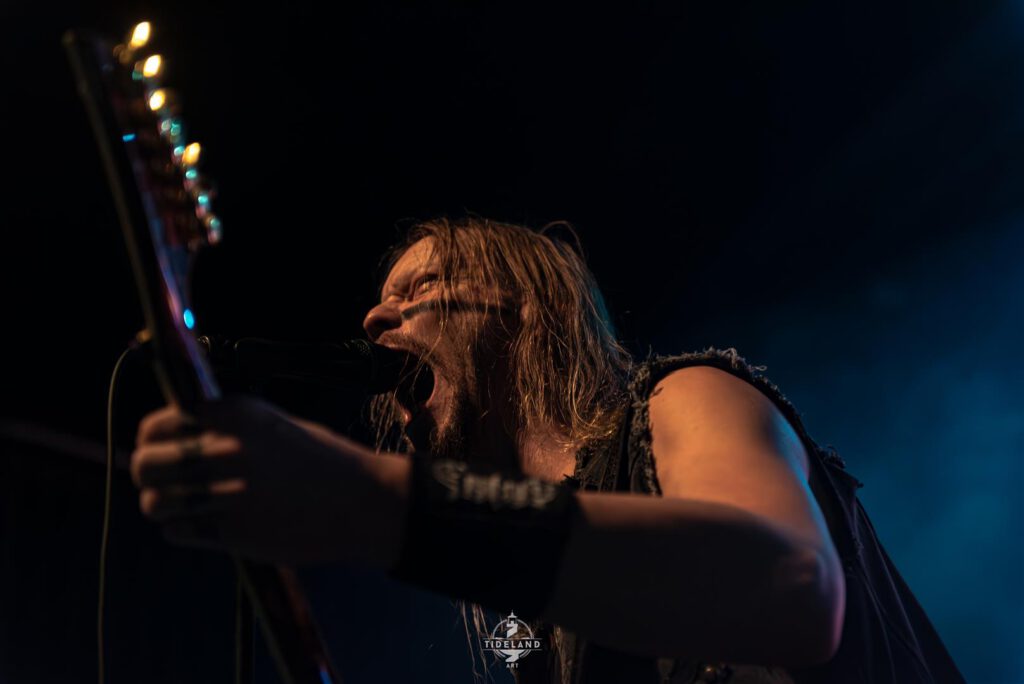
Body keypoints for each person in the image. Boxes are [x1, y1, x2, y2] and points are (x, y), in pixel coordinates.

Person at [131, 217, 964, 683]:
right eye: (384, 302)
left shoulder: (683, 397)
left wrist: (372, 500)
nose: (377, 320)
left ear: (524, 305)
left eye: (420, 289)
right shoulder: (526, 632)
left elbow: (790, 586)